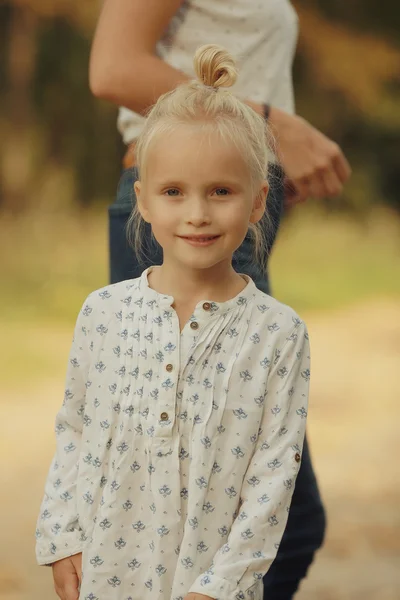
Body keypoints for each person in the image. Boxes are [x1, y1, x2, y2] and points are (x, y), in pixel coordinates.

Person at [89, 1, 351, 598]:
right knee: (195, 530)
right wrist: (271, 125)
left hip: (225, 233)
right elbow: (112, 68)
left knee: (283, 525)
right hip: (177, 230)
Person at [36, 45, 311, 600]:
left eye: (221, 192)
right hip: (107, 578)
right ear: (142, 201)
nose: (197, 213)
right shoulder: (103, 314)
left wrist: (217, 587)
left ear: (258, 202)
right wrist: (62, 535)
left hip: (213, 588)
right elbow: (74, 430)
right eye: (173, 192)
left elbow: (273, 478)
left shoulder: (278, 335)